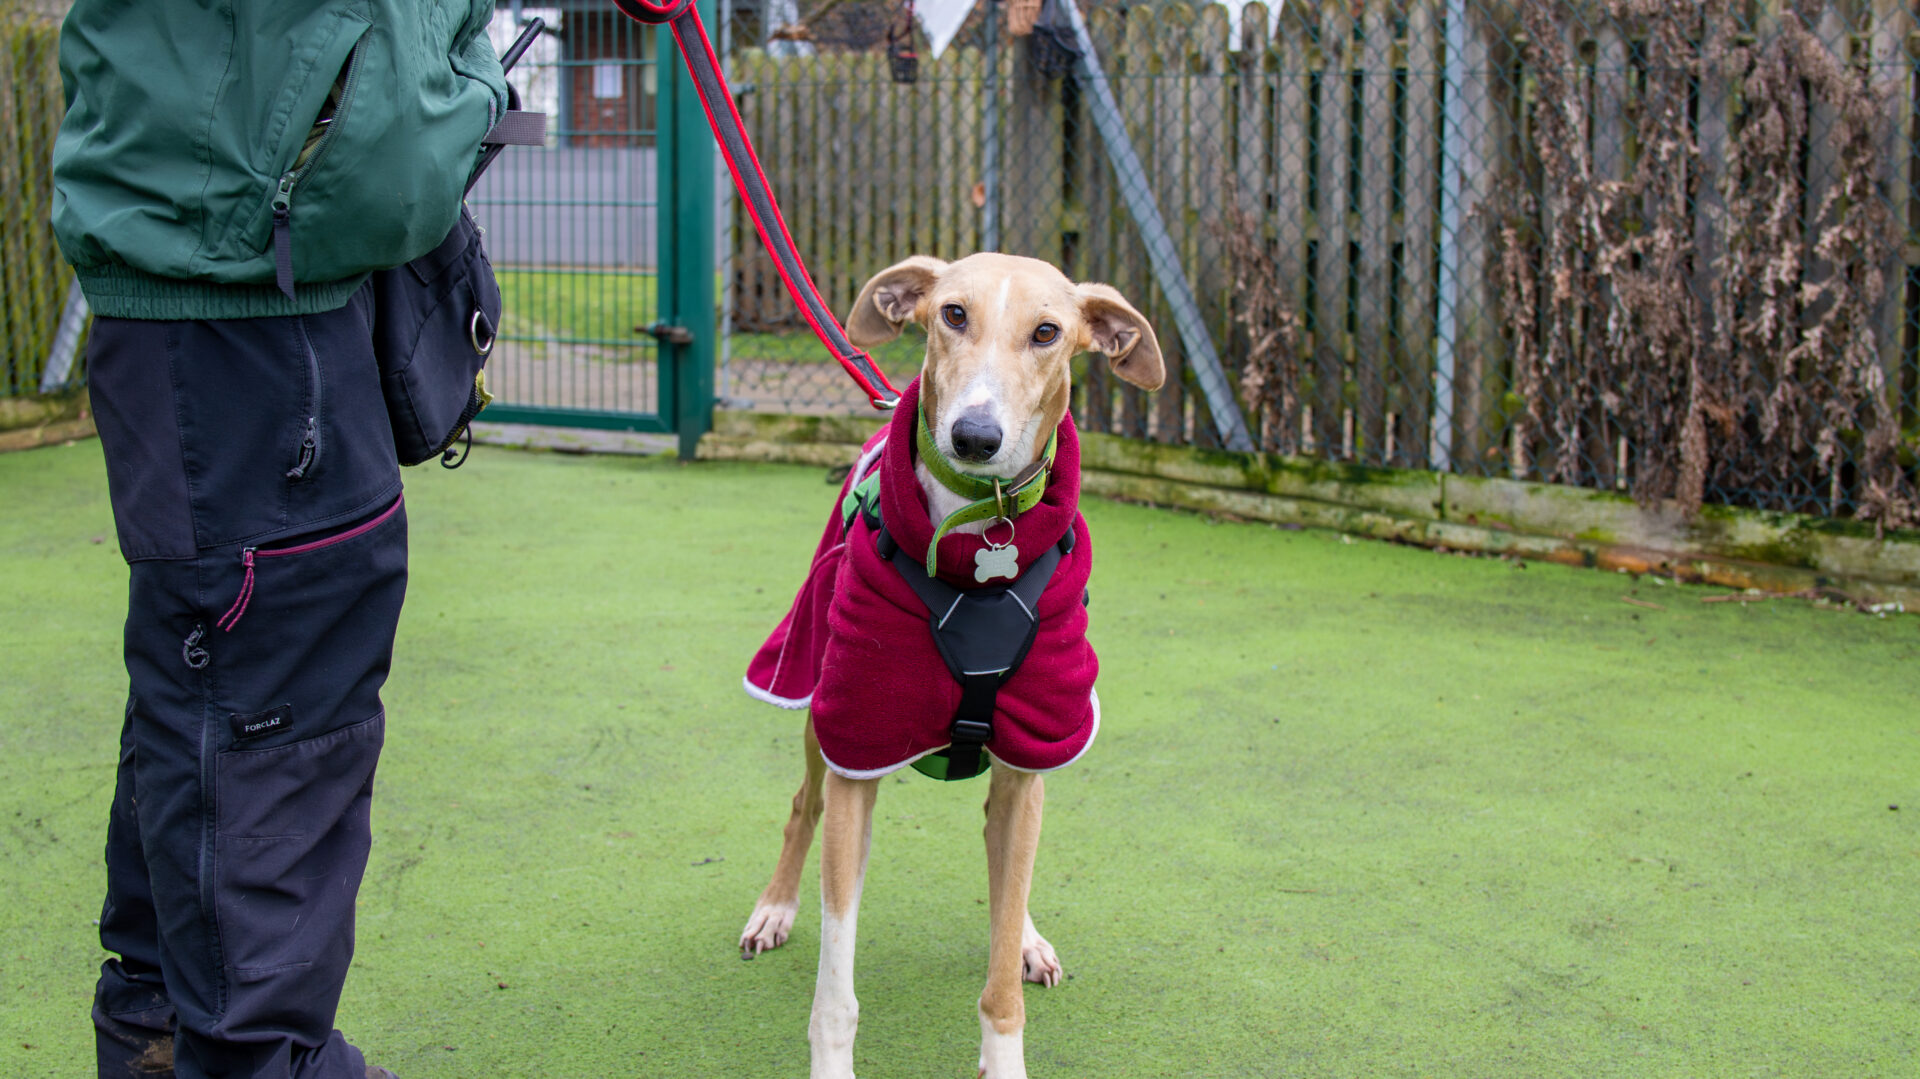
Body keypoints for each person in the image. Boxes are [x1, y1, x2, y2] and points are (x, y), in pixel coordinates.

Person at [51, 3, 508, 1076]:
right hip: (236, 273)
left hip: (278, 262)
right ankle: (251, 1056)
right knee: (269, 704)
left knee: (218, 681)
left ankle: (163, 1027)